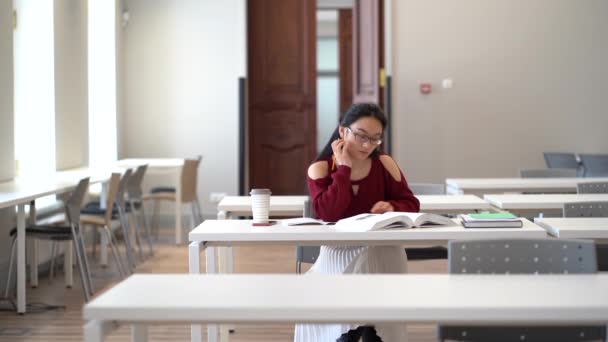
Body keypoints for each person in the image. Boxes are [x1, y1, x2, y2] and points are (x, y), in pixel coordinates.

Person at [294, 103, 420, 342]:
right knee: (354, 307)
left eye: (375, 139)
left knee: (376, 258)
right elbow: (328, 213)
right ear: (342, 132)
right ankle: (355, 330)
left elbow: (411, 202)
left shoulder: (384, 163)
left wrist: (392, 207)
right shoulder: (320, 169)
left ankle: (362, 331)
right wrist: (344, 169)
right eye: (361, 136)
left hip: (382, 251)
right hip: (339, 251)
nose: (367, 145)